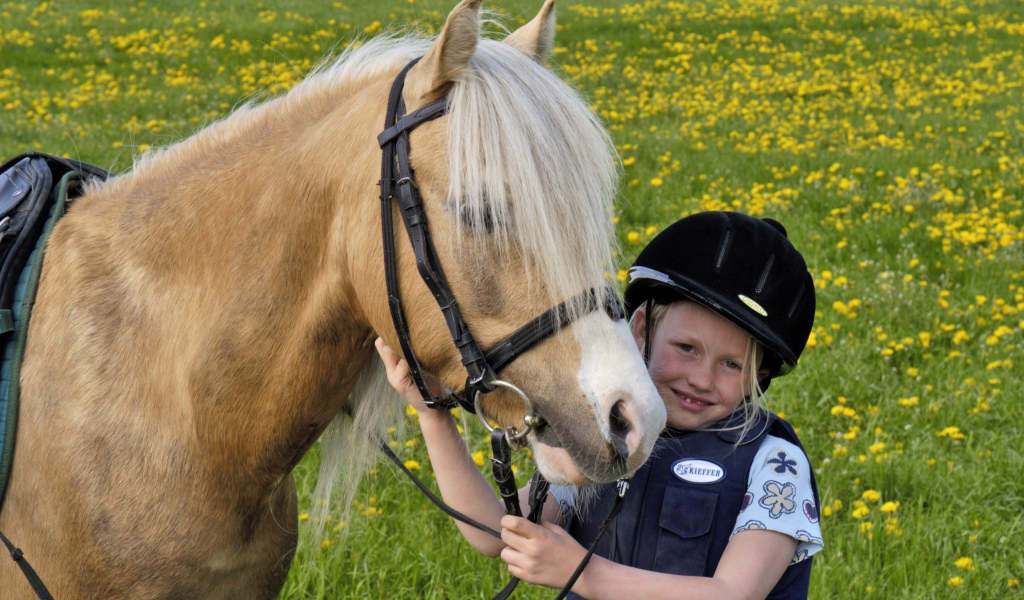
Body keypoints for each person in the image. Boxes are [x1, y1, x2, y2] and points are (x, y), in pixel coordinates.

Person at [375, 211, 822, 600]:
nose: (701, 378)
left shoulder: (776, 464)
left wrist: (583, 572)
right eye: (686, 347)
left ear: (758, 378)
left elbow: (732, 593)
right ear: (641, 328)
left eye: (731, 364)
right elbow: (495, 531)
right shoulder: (608, 431)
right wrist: (432, 416)